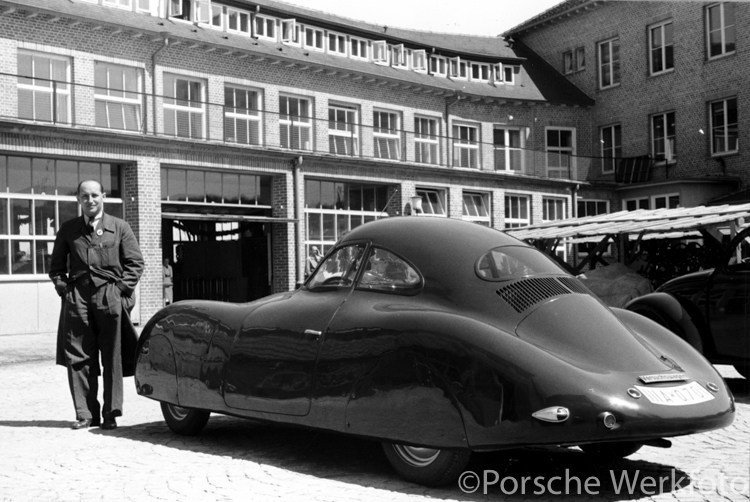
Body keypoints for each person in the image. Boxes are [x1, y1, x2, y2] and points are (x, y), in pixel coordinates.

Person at [49, 180, 144, 430]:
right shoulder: (69, 229)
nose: (90, 200)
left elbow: (135, 263)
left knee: (112, 355)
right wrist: (65, 291)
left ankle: (110, 413)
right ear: (78, 199)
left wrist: (121, 292)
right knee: (79, 355)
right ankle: (86, 414)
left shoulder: (120, 227)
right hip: (77, 298)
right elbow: (56, 268)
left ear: (103, 196)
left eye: (94, 195)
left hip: (109, 296)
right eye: (84, 196)